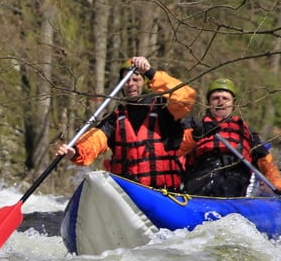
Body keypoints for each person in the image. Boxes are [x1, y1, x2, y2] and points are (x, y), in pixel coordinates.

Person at [53, 56, 197, 190]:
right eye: (126, 81)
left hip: (162, 194)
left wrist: (150, 72)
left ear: (146, 83)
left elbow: (186, 97)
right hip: (128, 194)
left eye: (136, 80)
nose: (130, 85)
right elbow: (95, 140)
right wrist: (75, 152)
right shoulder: (114, 117)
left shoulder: (165, 110)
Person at [178, 77, 281, 211]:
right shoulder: (195, 126)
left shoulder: (248, 133)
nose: (220, 102)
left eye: (225, 99)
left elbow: (266, 164)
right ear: (209, 103)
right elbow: (177, 150)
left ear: (233, 104)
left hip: (235, 177)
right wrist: (197, 134)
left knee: (233, 180)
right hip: (201, 174)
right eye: (215, 98)